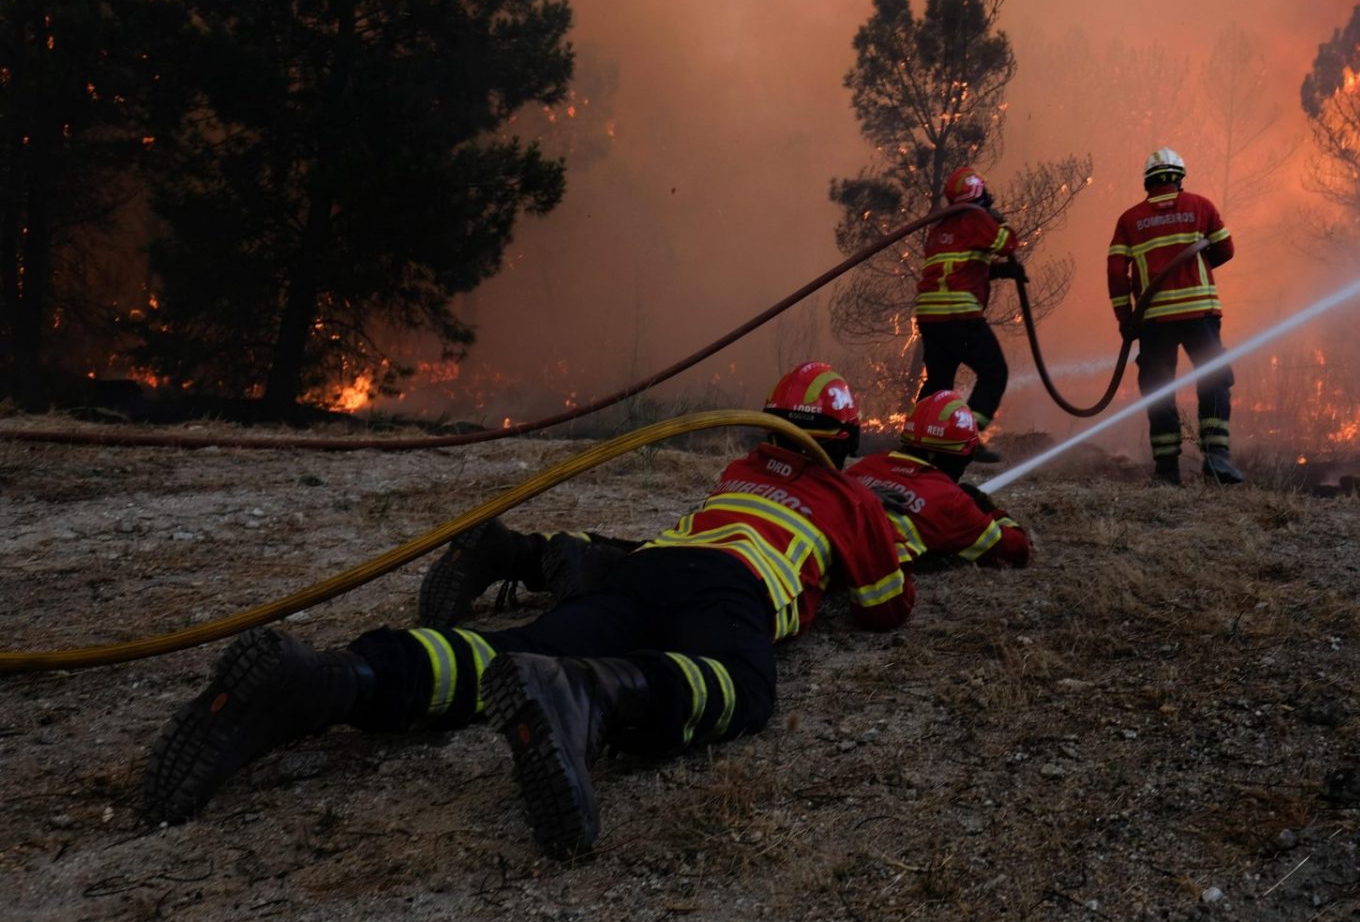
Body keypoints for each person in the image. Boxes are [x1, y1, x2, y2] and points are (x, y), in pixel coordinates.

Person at [141, 362, 911, 859]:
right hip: (732, 587)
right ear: (844, 441)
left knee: (512, 650)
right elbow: (886, 607)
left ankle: (333, 679)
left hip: (645, 570)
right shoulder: (849, 498)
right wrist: (878, 536)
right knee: (739, 684)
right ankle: (591, 696)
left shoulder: (738, 470)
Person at [1107, 147, 1244, 486]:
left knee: (1158, 388)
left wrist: (1125, 318)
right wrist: (1198, 264)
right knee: (1213, 377)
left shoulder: (1129, 220)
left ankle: (1167, 470)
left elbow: (1116, 273)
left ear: (1148, 182)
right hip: (1199, 313)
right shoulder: (1201, 206)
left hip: (1154, 320)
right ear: (1179, 178)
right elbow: (1225, 249)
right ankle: (1216, 456)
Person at [846, 390, 1032, 568]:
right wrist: (987, 508)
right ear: (953, 456)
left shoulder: (867, 465)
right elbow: (1016, 549)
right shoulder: (951, 502)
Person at [914, 166, 1022, 463]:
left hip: (930, 316)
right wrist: (1000, 221)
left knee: (938, 380)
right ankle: (966, 437)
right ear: (978, 192)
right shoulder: (976, 218)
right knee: (994, 372)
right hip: (959, 313)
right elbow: (1007, 243)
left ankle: (917, 439)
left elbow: (959, 268)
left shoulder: (940, 227)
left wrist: (1001, 272)